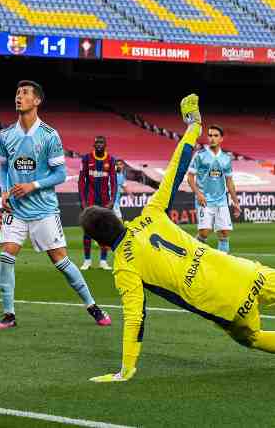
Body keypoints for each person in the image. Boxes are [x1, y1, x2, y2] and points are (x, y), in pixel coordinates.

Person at [80, 95, 275, 383]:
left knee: (253, 338)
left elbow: (136, 317)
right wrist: (193, 127)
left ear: (101, 244)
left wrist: (126, 370)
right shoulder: (152, 213)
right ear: (117, 217)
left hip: (225, 304)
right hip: (245, 272)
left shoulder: (124, 267)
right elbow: (175, 169)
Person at [0, 81, 111, 329]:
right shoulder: (6, 134)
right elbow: (4, 166)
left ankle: (92, 305)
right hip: (15, 209)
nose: (19, 97)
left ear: (37, 101)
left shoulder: (49, 135)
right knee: (6, 255)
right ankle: (8, 313)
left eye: (25, 93)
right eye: (17, 93)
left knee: (60, 260)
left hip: (44, 209)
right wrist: (5, 191)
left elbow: (60, 175)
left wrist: (32, 185)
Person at [187, 125, 241, 254]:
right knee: (204, 232)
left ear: (221, 138)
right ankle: (193, 258)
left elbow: (229, 181)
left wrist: (236, 202)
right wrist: (198, 194)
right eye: (210, 135)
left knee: (224, 233)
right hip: (204, 200)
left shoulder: (226, 158)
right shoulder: (200, 155)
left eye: (215, 136)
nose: (212, 138)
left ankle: (223, 265)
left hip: (221, 200)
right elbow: (190, 178)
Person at [78, 135, 117, 271]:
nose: (99, 145)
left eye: (102, 142)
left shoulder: (111, 160)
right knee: (87, 230)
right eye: (97, 143)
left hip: (105, 201)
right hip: (90, 200)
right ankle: (87, 260)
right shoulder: (86, 159)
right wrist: (82, 201)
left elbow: (114, 181)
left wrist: (112, 200)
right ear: (93, 145)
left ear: (105, 145)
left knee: (105, 230)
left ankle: (103, 261)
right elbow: (81, 181)